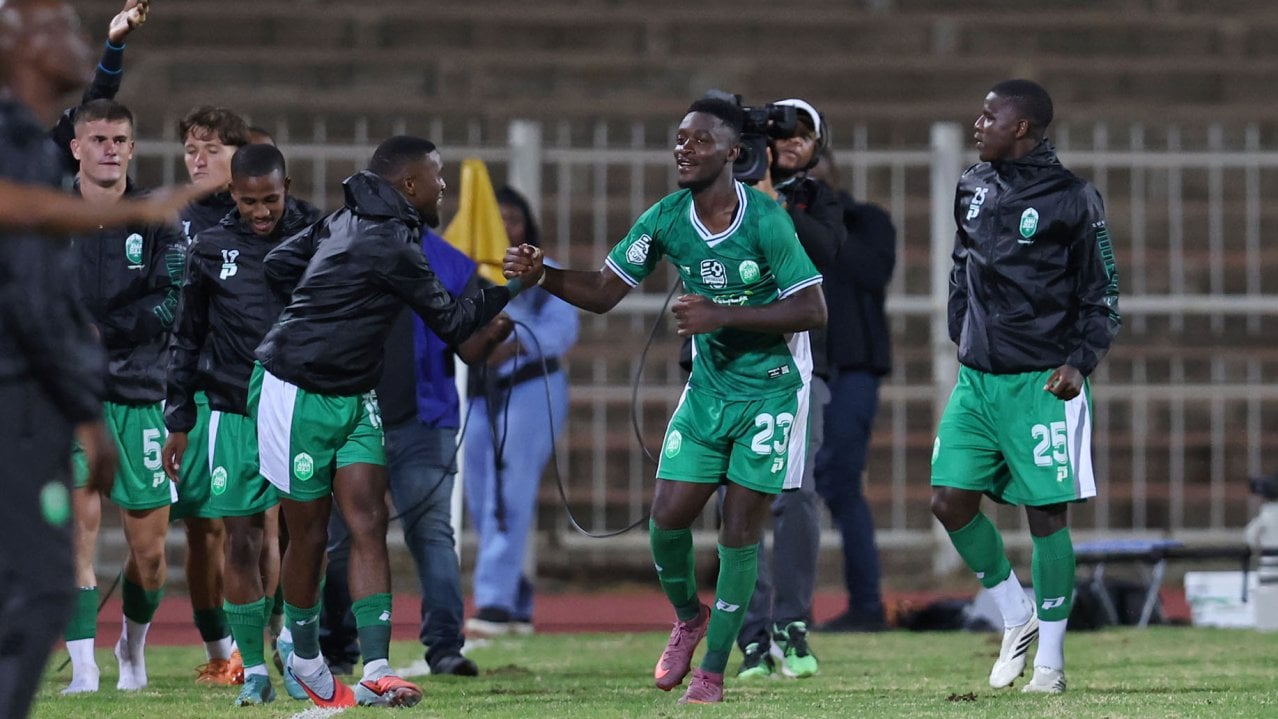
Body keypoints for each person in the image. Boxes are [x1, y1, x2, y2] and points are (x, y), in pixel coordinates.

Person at [502, 97, 827, 705]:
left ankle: (711, 674)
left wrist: (720, 313)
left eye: (700, 141)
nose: (684, 149)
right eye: (680, 140)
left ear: (733, 153)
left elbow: (813, 309)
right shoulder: (668, 217)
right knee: (666, 521)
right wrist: (540, 273)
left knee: (738, 533)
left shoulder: (765, 219)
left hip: (772, 392)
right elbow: (603, 291)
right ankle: (688, 616)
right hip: (708, 391)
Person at [251, 135, 516, 708]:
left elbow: (276, 264)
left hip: (353, 391)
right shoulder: (390, 243)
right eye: (437, 176)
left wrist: (324, 307)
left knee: (368, 523)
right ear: (410, 185)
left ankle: (375, 668)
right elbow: (454, 322)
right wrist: (515, 284)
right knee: (312, 533)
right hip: (295, 390)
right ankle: (303, 655)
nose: (443, 186)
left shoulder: (343, 219)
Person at [930, 79, 1120, 695]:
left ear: (1023, 127)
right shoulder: (972, 185)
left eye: (990, 115)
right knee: (949, 502)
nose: (977, 123)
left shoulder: (1072, 198)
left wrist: (1079, 362)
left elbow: (1103, 295)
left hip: (1043, 384)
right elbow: (962, 262)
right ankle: (1017, 615)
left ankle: (1051, 667)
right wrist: (960, 327)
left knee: (1046, 518)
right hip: (977, 382)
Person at [162, 144, 321, 705]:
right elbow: (187, 334)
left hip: (300, 409)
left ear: (287, 186)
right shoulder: (210, 247)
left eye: (271, 200)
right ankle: (252, 669)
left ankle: (304, 659)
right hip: (231, 411)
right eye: (249, 201)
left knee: (306, 538)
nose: (260, 212)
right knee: (241, 539)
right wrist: (178, 419)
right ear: (232, 193)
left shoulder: (320, 236)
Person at [326, 233, 514, 675]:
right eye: (435, 182)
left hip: (422, 422)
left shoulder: (451, 263)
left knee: (431, 536)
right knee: (340, 542)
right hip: (350, 418)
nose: (441, 189)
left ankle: (445, 647)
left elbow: (469, 348)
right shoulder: (340, 244)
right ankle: (335, 647)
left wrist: (492, 330)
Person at [0, 2, 115, 715]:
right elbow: (30, 298)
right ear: (21, 44)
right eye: (65, 27)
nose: (79, 41)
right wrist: (84, 405)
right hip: (16, 396)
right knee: (41, 583)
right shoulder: (15, 148)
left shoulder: (29, 144)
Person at [719, 98, 849, 680]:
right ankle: (750, 636)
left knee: (795, 494)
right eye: (779, 136)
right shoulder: (721, 195)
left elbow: (824, 255)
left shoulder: (817, 201)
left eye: (802, 135)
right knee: (733, 499)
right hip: (724, 365)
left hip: (798, 368)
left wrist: (772, 198)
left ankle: (791, 625)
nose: (789, 145)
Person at [64, 98, 186, 693]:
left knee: (151, 553)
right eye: (98, 138)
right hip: (70, 397)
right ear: (76, 147)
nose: (109, 148)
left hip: (139, 396)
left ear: (133, 149)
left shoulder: (158, 219)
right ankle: (83, 668)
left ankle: (130, 649)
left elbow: (170, 303)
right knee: (75, 531)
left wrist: (99, 331)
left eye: (120, 139)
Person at [463, 185, 579, 638]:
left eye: (513, 218)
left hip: (532, 387)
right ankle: (515, 591)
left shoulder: (542, 271)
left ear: (527, 224)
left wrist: (516, 345)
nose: (506, 227)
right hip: (478, 391)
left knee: (510, 489)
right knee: (479, 495)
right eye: (496, 218)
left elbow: (562, 327)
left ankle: (493, 600)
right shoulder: (464, 270)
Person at [169, 105, 253, 685]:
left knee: (262, 526)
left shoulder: (262, 215)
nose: (199, 161)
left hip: (248, 390)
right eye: (192, 150)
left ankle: (266, 639)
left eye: (213, 151)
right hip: (191, 388)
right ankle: (221, 648)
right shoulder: (168, 217)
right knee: (204, 526)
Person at [804, 145, 896, 635]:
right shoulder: (776, 222)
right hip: (796, 366)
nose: (810, 173)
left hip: (851, 367)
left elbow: (872, 272)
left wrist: (819, 217)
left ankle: (866, 604)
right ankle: (790, 609)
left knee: (839, 480)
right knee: (790, 487)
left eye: (816, 162)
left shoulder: (866, 221)